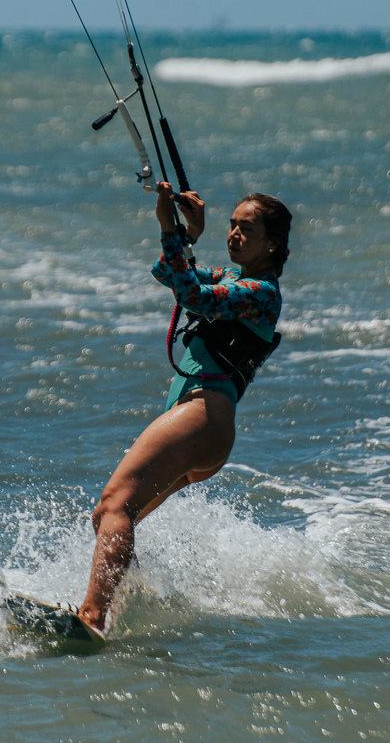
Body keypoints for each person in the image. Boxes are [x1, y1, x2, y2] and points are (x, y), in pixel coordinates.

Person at [77, 181, 292, 634]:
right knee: (110, 517)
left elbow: (192, 297)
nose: (234, 233)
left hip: (204, 415)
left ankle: (91, 617)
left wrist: (167, 227)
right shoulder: (231, 277)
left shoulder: (262, 292)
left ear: (272, 244)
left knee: (115, 504)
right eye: (231, 225)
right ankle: (127, 610)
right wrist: (187, 233)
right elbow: (167, 272)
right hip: (201, 420)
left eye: (246, 228)